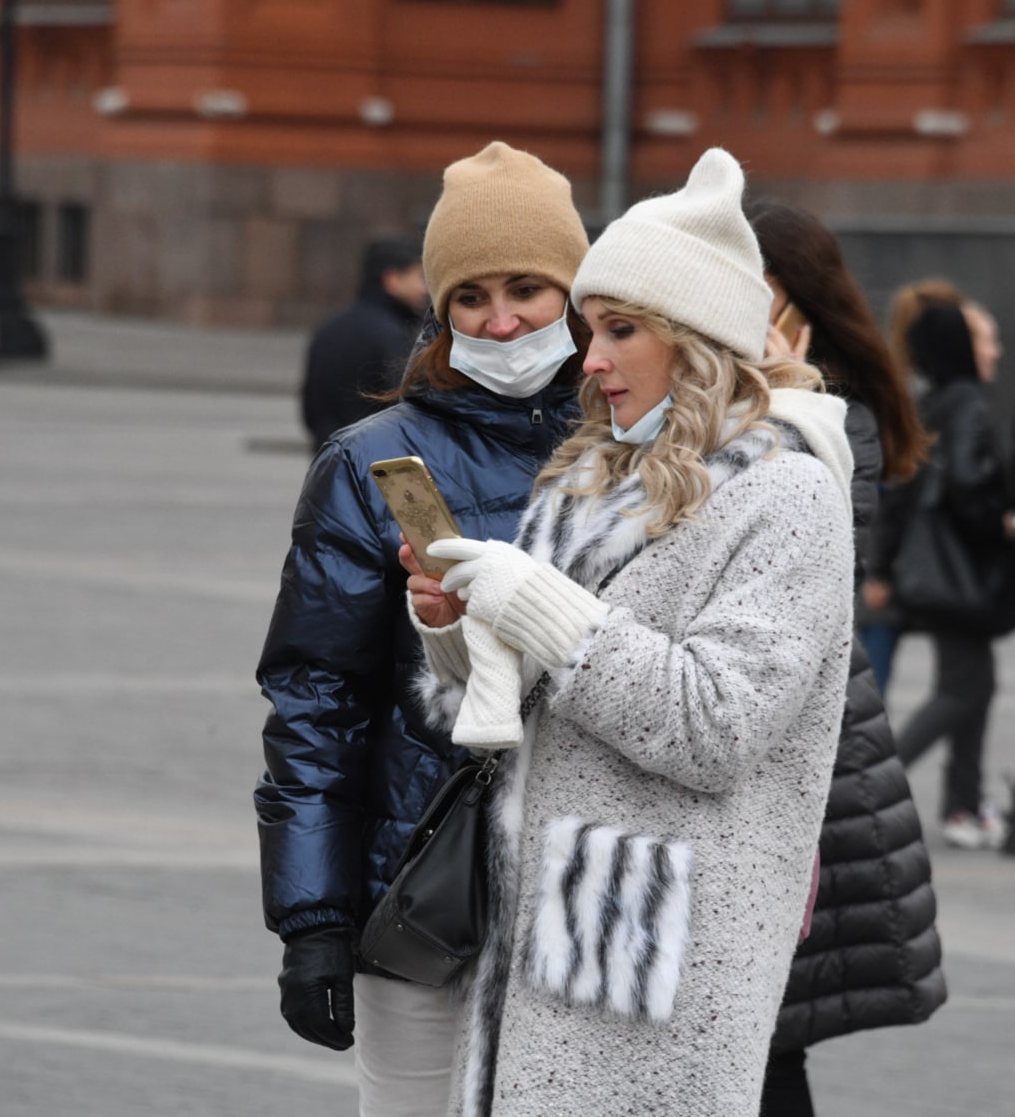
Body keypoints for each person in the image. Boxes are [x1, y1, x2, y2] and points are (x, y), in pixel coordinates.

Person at [403, 148, 854, 1117]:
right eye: (590, 329)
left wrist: (539, 603)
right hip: (538, 935)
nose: (591, 358)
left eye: (619, 330)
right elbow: (499, 705)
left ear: (694, 340)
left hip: (663, 959)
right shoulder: (588, 473)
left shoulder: (789, 494)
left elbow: (714, 725)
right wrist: (452, 626)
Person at [254, 140, 590, 1115]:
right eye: (470, 297)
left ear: (574, 295)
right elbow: (317, 697)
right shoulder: (371, 461)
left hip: (590, 884)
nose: (501, 321)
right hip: (424, 888)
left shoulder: (631, 448)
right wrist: (313, 918)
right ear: (439, 311)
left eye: (526, 288)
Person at [746, 201, 944, 1117]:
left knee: (765, 1046)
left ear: (797, 300)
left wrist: (774, 400)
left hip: (804, 769)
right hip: (806, 752)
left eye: (752, 289)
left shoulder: (827, 416)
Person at [882, 300, 1009, 850]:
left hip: (943, 574)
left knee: (973, 686)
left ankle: (964, 806)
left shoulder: (935, 401)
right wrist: (999, 519)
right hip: (961, 575)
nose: (995, 351)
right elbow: (966, 484)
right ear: (961, 346)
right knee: (962, 688)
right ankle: (870, 788)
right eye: (985, 339)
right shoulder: (966, 404)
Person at [859, 279, 964, 692]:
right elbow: (888, 489)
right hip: (892, 559)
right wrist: (879, 571)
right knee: (873, 680)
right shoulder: (914, 396)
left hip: (895, 557)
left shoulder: (900, 387)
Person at [300, 236, 429, 451]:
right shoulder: (394, 336)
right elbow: (407, 409)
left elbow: (311, 410)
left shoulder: (328, 328)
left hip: (329, 455)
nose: (424, 289)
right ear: (392, 279)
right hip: (378, 459)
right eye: (419, 277)